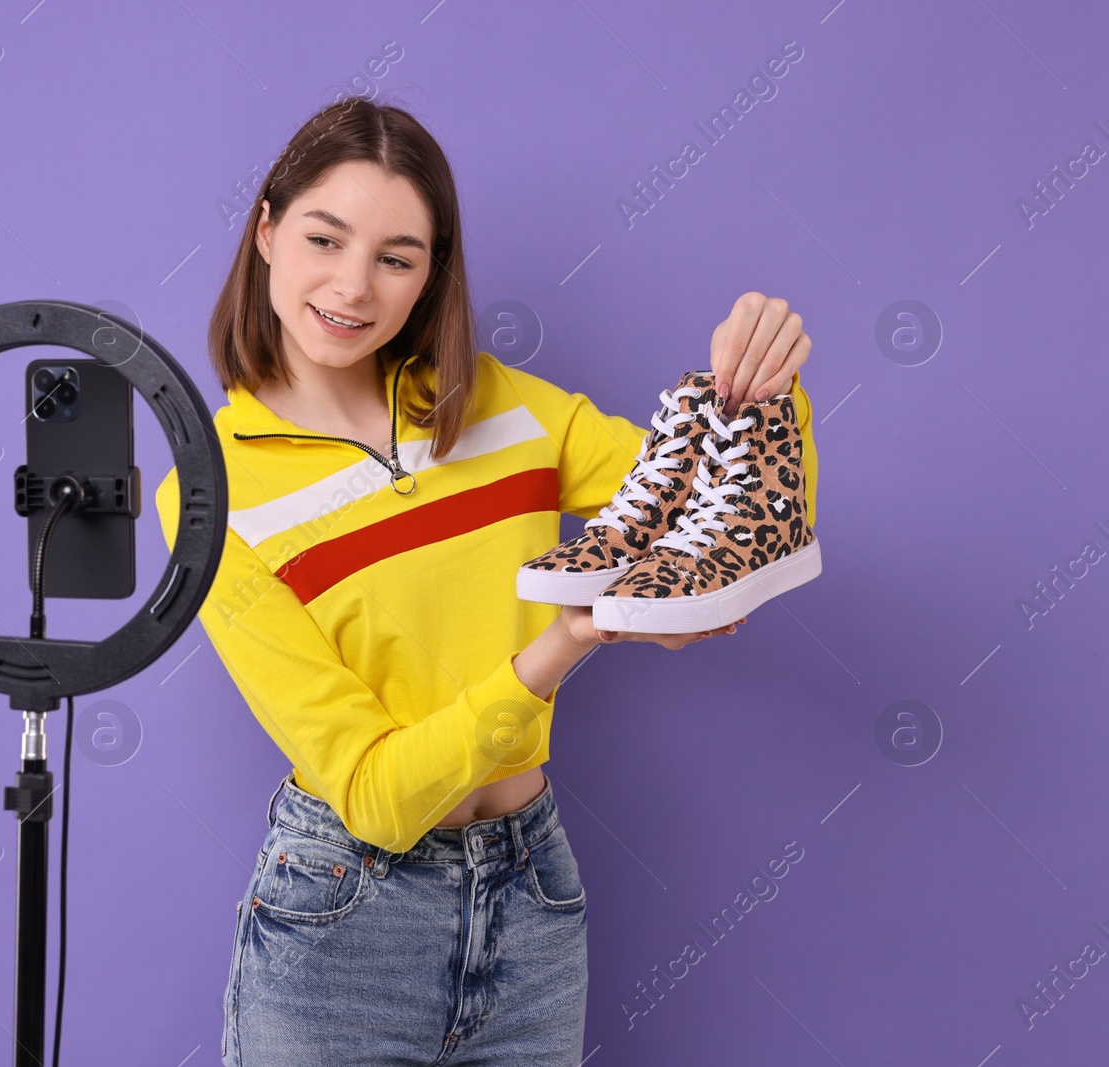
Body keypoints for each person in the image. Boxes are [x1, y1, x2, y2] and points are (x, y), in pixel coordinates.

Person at [154, 96, 816, 1066]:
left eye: (396, 256)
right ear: (265, 231)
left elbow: (730, 512)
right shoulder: (210, 493)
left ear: (431, 274)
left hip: (530, 892)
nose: (351, 285)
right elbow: (377, 793)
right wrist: (561, 643)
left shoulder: (500, 407)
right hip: (345, 913)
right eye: (324, 238)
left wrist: (763, 389)